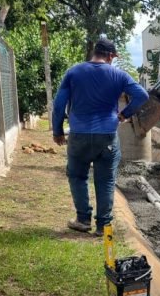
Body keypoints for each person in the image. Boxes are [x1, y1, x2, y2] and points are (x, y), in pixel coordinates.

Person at [52, 38, 149, 235]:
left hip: (78, 134)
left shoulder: (74, 72)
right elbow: (142, 96)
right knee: (105, 180)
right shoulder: (119, 75)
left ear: (95, 52)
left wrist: (57, 130)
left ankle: (82, 219)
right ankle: (103, 225)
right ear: (111, 56)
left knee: (77, 176)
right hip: (107, 136)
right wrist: (124, 115)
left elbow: (58, 104)